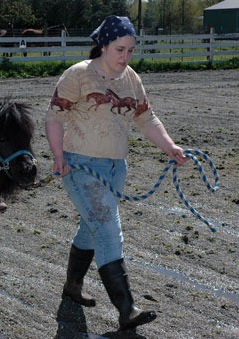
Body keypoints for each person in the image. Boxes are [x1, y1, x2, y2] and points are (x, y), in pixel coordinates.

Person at [45, 16, 188, 331]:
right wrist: (57, 156)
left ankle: (72, 287)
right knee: (108, 229)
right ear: (104, 45)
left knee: (91, 227)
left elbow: (146, 118)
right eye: (120, 49)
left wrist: (170, 147)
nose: (125, 56)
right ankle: (126, 309)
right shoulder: (79, 75)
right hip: (80, 166)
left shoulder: (131, 78)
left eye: (130, 50)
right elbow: (54, 116)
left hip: (115, 167)